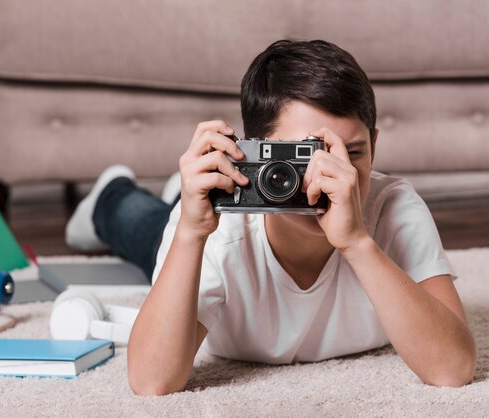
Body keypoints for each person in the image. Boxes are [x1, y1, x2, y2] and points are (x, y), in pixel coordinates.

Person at [65, 40, 476, 395]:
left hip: (355, 233)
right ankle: (110, 194)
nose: (329, 178)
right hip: (212, 227)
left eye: (351, 154)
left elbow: (453, 368)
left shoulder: (392, 208)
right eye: (300, 158)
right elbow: (152, 383)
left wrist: (357, 242)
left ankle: (169, 189)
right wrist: (190, 231)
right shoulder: (219, 228)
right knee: (147, 225)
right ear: (254, 152)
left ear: (375, 145)